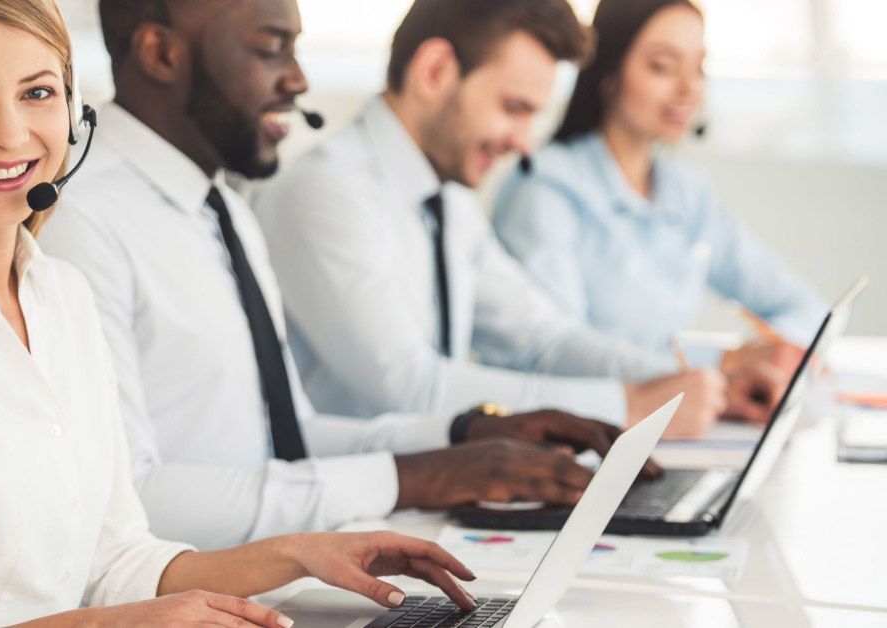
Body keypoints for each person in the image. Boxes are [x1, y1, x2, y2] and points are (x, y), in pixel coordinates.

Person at [0, 1, 481, 624]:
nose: (11, 134)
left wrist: (298, 553)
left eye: (38, 93)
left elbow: (115, 559)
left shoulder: (61, 297)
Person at [40, 0, 654, 552]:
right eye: (269, 47)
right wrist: (410, 476)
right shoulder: (81, 221)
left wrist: (466, 435)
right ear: (161, 53)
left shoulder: (222, 209)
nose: (298, 79)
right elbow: (128, 498)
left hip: (282, 567)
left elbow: (287, 435)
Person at [254, 0, 779, 437]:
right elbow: (408, 388)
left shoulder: (447, 197)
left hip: (425, 494)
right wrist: (629, 406)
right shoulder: (325, 190)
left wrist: (686, 382)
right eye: (514, 107)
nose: (525, 142)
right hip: (339, 520)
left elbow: (540, 337)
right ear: (435, 71)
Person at [492, 0, 827, 380]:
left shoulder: (687, 192)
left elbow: (803, 306)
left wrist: (775, 355)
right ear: (610, 71)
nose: (688, 89)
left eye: (699, 67)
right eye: (662, 67)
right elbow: (560, 355)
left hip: (668, 418)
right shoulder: (543, 187)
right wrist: (718, 366)